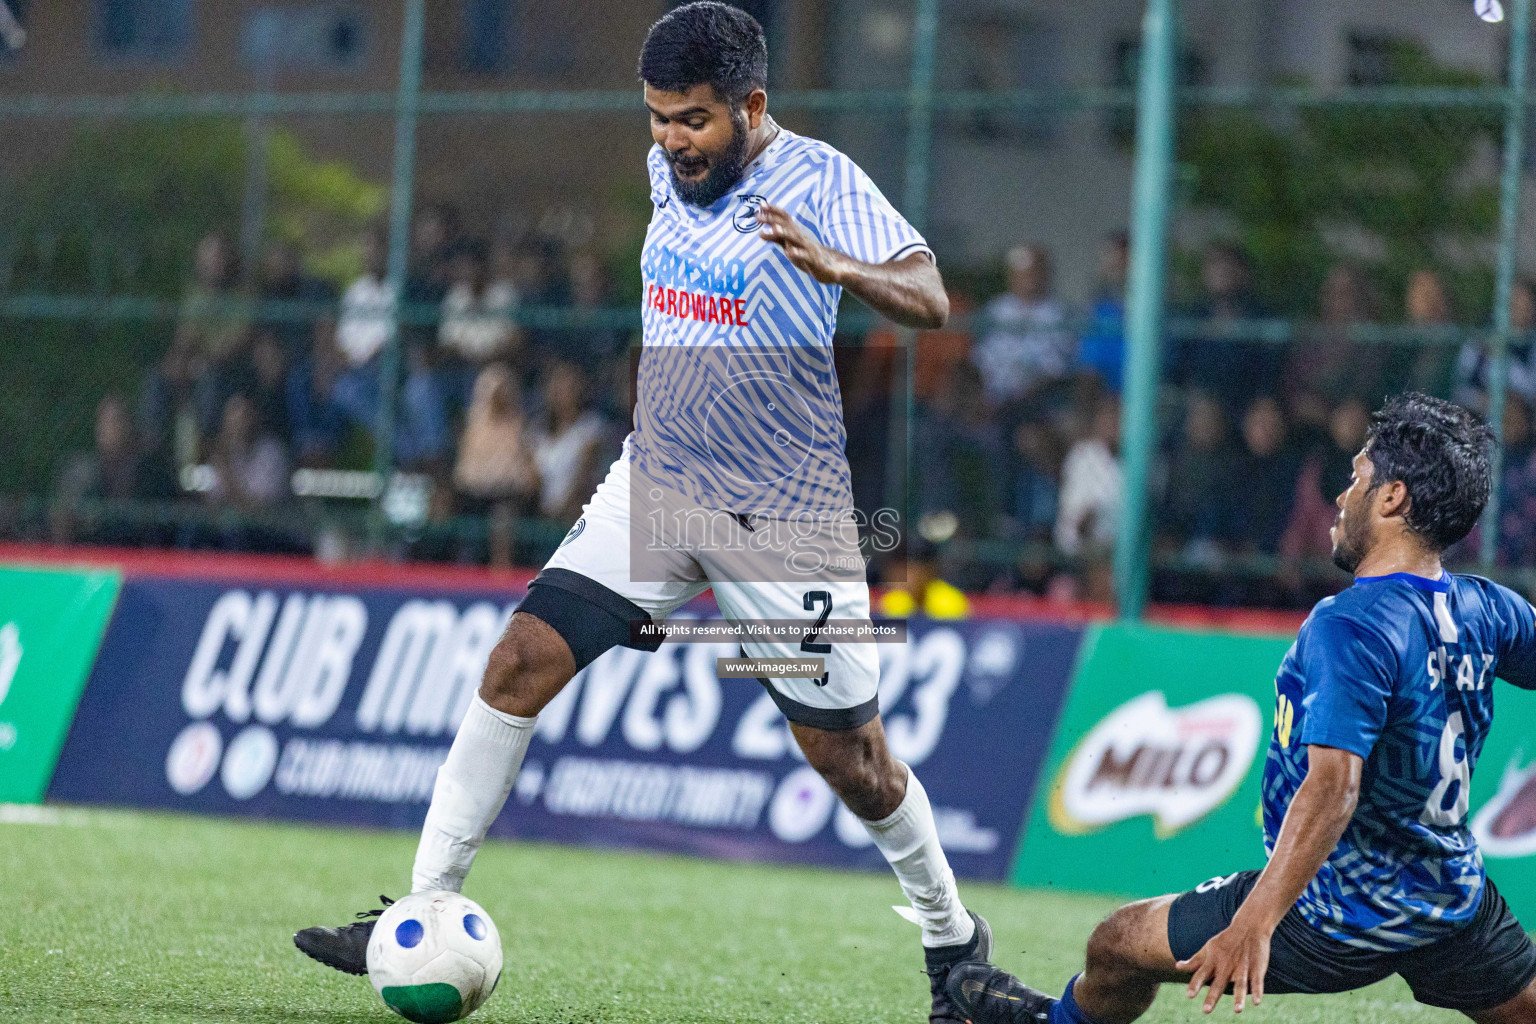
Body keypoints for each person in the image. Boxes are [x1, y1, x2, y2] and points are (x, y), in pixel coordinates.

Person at [294, 7, 994, 1021]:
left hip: (785, 515)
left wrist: (845, 272)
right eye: (660, 118)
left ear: (752, 106)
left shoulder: (821, 180)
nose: (673, 140)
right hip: (657, 485)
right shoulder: (673, 163)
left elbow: (929, 296)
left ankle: (953, 945)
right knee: (517, 663)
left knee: (852, 758)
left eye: (696, 121)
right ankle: (421, 908)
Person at [945, 392, 1536, 1024]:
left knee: (1114, 945)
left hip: (1331, 915)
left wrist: (1254, 924)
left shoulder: (1352, 625)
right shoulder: (1490, 608)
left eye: (1356, 478)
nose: (1340, 499)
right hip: (1448, 904)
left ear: (1392, 498)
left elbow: (1333, 787)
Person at [971, 243, 1074, 409]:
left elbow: (1057, 366)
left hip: (1040, 399)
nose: (1029, 280)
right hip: (992, 398)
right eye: (1023, 274)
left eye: (1034, 273)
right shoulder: (996, 310)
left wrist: (1027, 389)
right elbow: (981, 357)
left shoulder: (1059, 313)